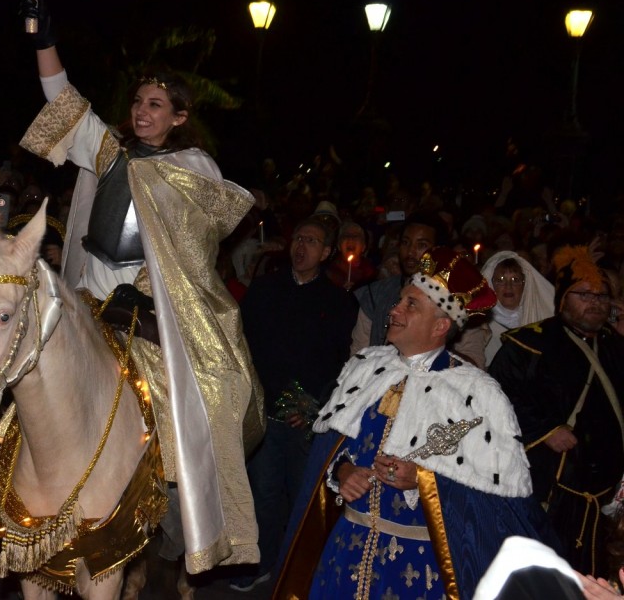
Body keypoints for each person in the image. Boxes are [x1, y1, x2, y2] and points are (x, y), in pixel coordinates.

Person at [17, 0, 264, 573]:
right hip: (90, 306)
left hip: (149, 318)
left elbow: (191, 251)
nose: (142, 110)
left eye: (156, 104)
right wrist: (43, 43)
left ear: (179, 116)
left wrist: (149, 296)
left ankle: (189, 523)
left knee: (195, 412)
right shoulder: (109, 153)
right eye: (137, 101)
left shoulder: (193, 168)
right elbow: (65, 105)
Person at [274, 247, 556, 599]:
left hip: (419, 568)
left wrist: (421, 480)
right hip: (345, 552)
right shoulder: (365, 368)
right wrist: (341, 472)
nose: (394, 310)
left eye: (411, 305)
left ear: (440, 325)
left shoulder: (475, 393)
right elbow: (329, 449)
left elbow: (494, 504)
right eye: (399, 301)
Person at [233, 217, 358, 592]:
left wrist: (313, 404)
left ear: (327, 252)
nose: (302, 246)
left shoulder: (339, 302)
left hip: (308, 418)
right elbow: (243, 346)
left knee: (303, 495)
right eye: (298, 237)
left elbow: (342, 363)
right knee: (264, 492)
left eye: (312, 241)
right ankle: (262, 562)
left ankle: (297, 568)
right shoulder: (264, 290)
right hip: (265, 410)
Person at [490, 246, 624, 576]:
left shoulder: (616, 348)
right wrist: (545, 429)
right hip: (551, 490)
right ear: (563, 298)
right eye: (585, 294)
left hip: (606, 495)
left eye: (602, 296)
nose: (595, 302)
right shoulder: (528, 346)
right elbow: (496, 398)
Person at [351, 212, 488, 368]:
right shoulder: (375, 294)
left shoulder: (457, 300)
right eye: (405, 243)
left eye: (421, 245)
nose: (410, 252)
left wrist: (426, 350)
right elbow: (358, 357)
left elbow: (474, 365)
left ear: (438, 250)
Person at [480, 250, 555, 366]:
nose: (508, 286)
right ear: (491, 284)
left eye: (515, 280)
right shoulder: (481, 323)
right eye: (500, 280)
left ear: (525, 284)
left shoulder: (540, 316)